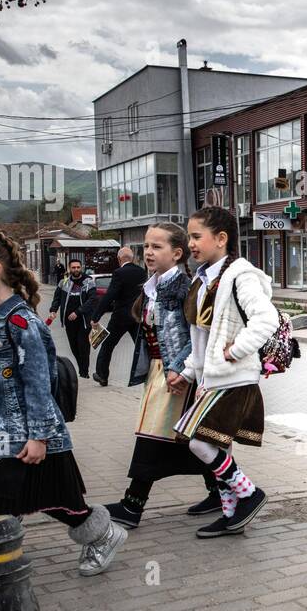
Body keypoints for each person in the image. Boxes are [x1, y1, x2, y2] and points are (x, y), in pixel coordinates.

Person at [0, 230, 126, 577]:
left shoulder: (21, 322)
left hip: (28, 438)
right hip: (2, 436)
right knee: (49, 503)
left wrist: (39, 437)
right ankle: (100, 535)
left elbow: (37, 385)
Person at [175, 205, 279, 538]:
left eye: (196, 236)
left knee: (196, 442)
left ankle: (249, 493)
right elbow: (201, 336)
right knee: (219, 447)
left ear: (221, 238)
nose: (191, 243)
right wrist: (190, 372)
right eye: (189, 236)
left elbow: (266, 319)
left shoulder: (240, 275)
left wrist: (235, 351)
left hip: (234, 378)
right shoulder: (204, 277)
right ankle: (231, 515)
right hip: (212, 378)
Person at [103, 224, 214, 528]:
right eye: (146, 247)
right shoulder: (154, 285)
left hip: (176, 373)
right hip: (158, 370)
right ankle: (221, 489)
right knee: (189, 436)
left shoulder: (183, 288)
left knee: (153, 435)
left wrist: (180, 367)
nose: (148, 253)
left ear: (177, 253)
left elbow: (198, 336)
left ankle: (132, 504)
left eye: (156, 247)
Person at [88, 246, 147, 387]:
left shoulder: (119, 273)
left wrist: (96, 316)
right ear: (132, 258)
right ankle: (148, 374)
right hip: (137, 316)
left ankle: (102, 376)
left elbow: (109, 296)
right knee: (141, 346)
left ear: (119, 259)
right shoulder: (142, 272)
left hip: (120, 318)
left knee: (108, 345)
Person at [47, 257, 97, 378]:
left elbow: (92, 300)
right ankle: (82, 370)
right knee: (74, 348)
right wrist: (53, 310)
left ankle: (84, 373)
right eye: (73, 267)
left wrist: (78, 312)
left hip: (83, 321)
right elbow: (57, 299)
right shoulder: (63, 282)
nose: (76, 269)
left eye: (78, 267)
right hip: (69, 322)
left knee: (83, 347)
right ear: (69, 268)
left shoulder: (89, 281)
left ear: (81, 268)